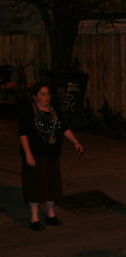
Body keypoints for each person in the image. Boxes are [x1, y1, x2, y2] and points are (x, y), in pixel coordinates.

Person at [18, 83, 83, 231]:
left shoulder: (54, 112)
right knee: (35, 185)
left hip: (52, 154)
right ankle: (34, 219)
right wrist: (28, 154)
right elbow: (23, 134)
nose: (46, 97)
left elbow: (63, 128)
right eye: (42, 94)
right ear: (34, 97)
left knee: (52, 184)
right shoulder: (29, 112)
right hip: (35, 154)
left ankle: (51, 215)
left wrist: (75, 142)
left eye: (48, 94)